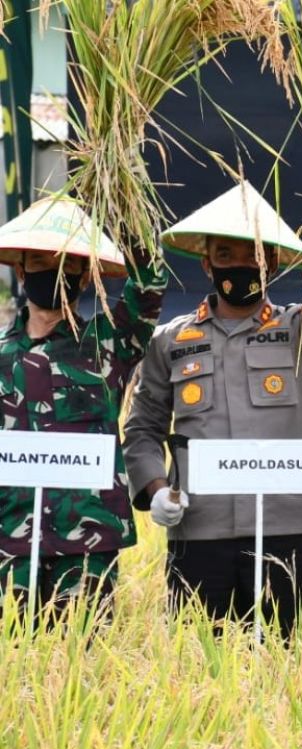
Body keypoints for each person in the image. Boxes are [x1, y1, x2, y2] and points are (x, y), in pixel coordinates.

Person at [123, 175, 302, 640]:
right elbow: (142, 429)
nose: (239, 266)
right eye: (226, 256)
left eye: (253, 257)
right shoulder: (171, 341)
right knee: (195, 664)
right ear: (206, 264)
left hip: (281, 531)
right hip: (198, 531)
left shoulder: (299, 332)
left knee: (280, 666)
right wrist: (156, 489)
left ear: (273, 263)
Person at [0, 197, 165, 619]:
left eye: (69, 264)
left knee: (80, 663)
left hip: (86, 546)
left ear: (87, 278)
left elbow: (148, 287)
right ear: (20, 270)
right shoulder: (2, 355)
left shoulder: (109, 344)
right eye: (40, 260)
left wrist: (126, 207)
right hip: (9, 541)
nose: (53, 272)